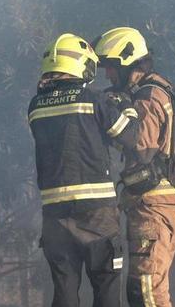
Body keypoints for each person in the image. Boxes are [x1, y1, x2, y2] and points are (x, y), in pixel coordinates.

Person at [28, 33, 141, 307]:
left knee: (64, 289)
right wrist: (125, 104)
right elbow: (130, 136)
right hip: (96, 213)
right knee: (105, 285)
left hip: (55, 213)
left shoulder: (35, 106)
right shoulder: (93, 99)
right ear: (81, 65)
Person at [94, 27, 175, 307]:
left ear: (128, 62)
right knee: (149, 290)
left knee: (146, 292)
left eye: (112, 68)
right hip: (158, 204)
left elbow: (143, 147)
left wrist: (117, 120)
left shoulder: (148, 96)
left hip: (153, 207)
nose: (109, 75)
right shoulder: (157, 89)